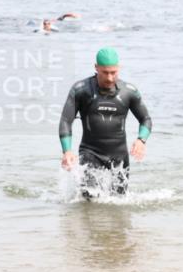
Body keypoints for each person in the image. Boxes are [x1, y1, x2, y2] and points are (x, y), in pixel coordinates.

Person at [58, 47, 152, 198]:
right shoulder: (81, 90)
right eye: (105, 72)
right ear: (96, 68)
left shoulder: (129, 92)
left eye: (113, 72)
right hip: (90, 154)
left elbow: (145, 119)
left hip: (119, 157)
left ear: (119, 68)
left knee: (119, 204)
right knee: (89, 202)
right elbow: (65, 121)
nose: (109, 78)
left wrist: (141, 140)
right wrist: (67, 151)